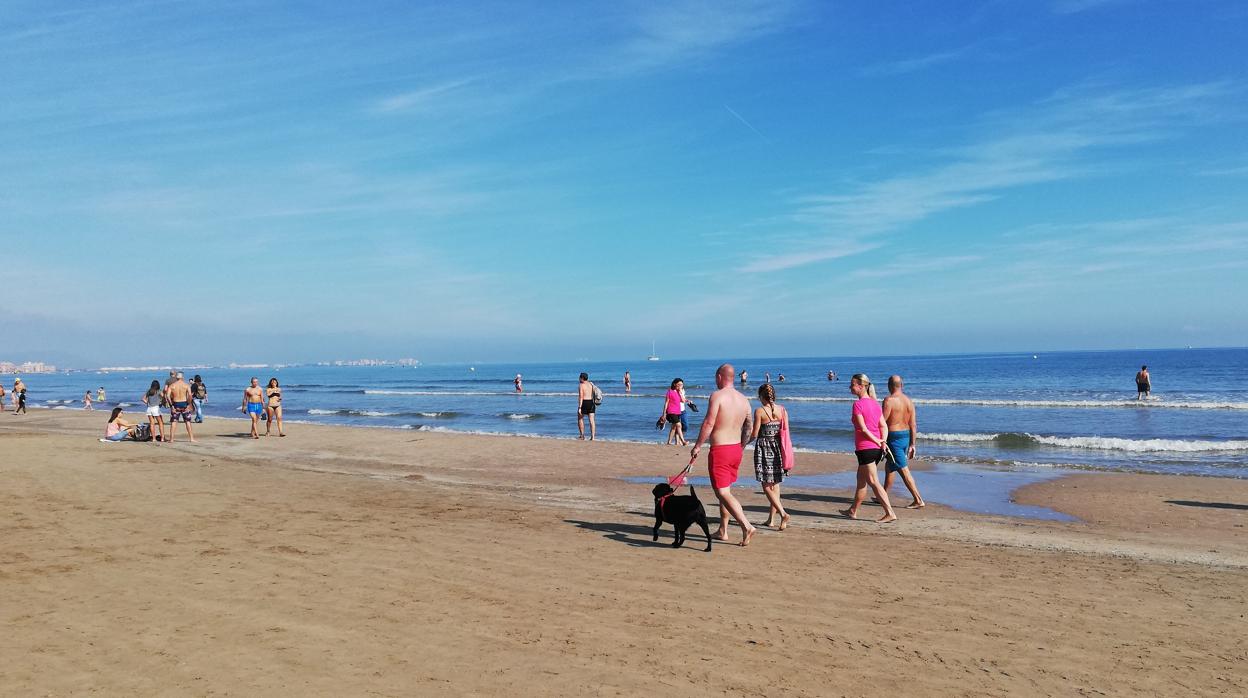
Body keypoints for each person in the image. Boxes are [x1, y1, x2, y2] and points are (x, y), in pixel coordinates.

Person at [690, 363, 756, 546]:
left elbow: (709, 423)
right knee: (726, 491)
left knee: (723, 492)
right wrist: (742, 446)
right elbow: (749, 427)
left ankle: (746, 526)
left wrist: (697, 446)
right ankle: (723, 530)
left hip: (721, 449)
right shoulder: (744, 399)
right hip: (736, 449)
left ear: (719, 377)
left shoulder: (717, 396)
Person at [840, 373, 898, 523]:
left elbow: (864, 429)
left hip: (866, 448)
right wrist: (882, 442)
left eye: (852, 384)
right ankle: (852, 510)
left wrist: (879, 440)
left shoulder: (858, 405)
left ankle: (890, 512)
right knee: (861, 480)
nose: (850, 387)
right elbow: (883, 426)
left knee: (873, 481)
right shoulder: (875, 403)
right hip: (876, 449)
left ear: (861, 386)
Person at [748, 382, 791, 530]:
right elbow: (785, 432)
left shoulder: (759, 411)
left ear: (761, 396)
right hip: (778, 447)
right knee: (776, 484)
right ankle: (771, 519)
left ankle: (783, 513)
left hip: (764, 448)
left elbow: (754, 434)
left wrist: (743, 442)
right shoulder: (783, 410)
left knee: (766, 484)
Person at [881, 375, 925, 509]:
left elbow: (882, 422)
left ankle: (918, 499)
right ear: (902, 385)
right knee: (890, 467)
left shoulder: (889, 400)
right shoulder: (909, 401)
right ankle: (883, 496)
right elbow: (913, 425)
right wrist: (913, 444)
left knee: (903, 469)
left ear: (889, 386)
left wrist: (879, 439)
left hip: (893, 437)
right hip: (905, 436)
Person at [166, 372, 196, 442]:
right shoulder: (186, 385)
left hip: (176, 404)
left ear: (176, 378)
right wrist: (188, 404)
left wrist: (171, 405)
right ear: (182, 377)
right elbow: (190, 395)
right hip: (184, 403)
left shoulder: (172, 385)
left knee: (174, 422)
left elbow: (167, 396)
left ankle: (171, 439)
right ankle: (191, 439)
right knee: (188, 421)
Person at [660, 378, 686, 446]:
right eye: (679, 384)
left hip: (678, 412)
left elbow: (683, 401)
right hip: (671, 412)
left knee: (674, 427)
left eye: (681, 384)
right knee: (679, 425)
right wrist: (664, 414)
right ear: (674, 384)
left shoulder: (679, 392)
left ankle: (669, 442)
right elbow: (666, 403)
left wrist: (680, 392)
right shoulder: (669, 391)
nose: (680, 386)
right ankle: (683, 441)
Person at [577, 372, 597, 441]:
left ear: (582, 378)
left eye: (579, 377)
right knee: (592, 420)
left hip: (584, 403)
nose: (579, 379)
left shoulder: (581, 385)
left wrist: (580, 407)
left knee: (580, 418)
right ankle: (593, 437)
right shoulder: (591, 384)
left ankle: (582, 436)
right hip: (591, 402)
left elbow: (581, 397)